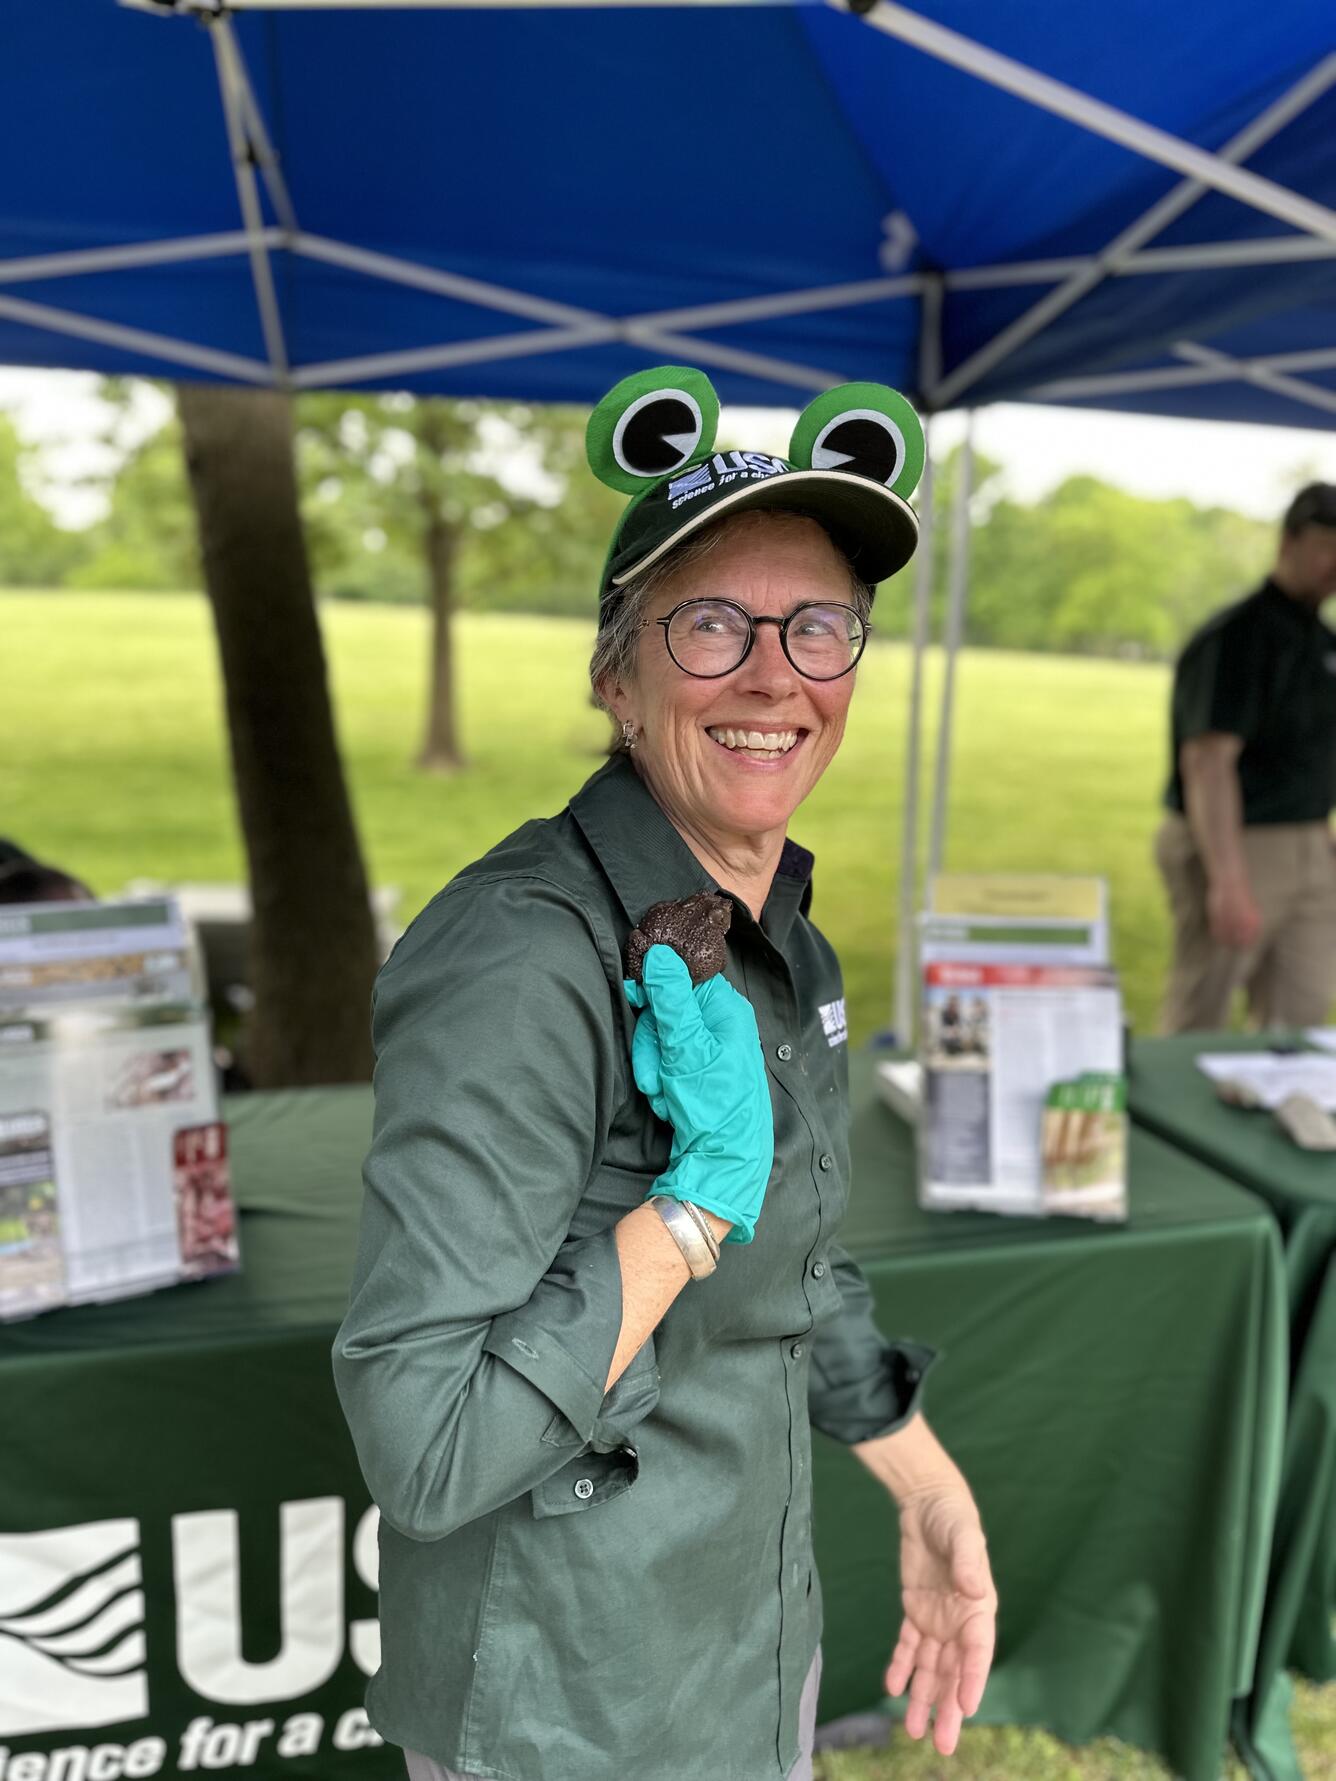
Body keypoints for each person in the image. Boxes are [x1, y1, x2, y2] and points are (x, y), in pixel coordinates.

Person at [333, 368, 997, 1781]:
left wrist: (925, 1484)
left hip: (747, 1641)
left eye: (820, 629)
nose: (776, 676)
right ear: (614, 674)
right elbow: (426, 1440)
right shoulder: (520, 957)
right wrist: (687, 1213)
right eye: (713, 626)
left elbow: (798, 1268)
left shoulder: (779, 930)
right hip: (570, 1706)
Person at [1155, 483, 1336, 1032]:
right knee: (1201, 1009)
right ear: (1290, 541)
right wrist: (1228, 882)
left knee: (1301, 1016)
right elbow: (1208, 762)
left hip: (1307, 845)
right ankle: (1171, 1116)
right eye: (1329, 545)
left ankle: (1278, 1111)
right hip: (1235, 845)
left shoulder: (1321, 641)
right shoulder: (1238, 637)